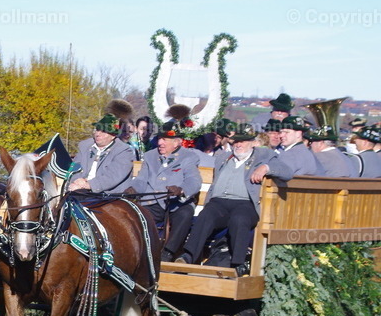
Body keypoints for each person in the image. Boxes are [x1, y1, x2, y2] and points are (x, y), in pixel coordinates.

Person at [177, 124, 280, 275]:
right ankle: (188, 256)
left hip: (245, 203)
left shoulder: (262, 156)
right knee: (206, 215)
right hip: (219, 203)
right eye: (236, 141)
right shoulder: (223, 157)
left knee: (240, 219)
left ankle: (238, 263)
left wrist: (265, 168)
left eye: (243, 141)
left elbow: (286, 170)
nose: (238, 144)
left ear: (252, 142)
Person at [125, 120, 202, 262]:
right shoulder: (150, 156)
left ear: (177, 142)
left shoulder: (189, 157)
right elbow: (142, 180)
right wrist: (133, 189)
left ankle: (168, 253)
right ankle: (137, 252)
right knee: (135, 214)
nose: (160, 142)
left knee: (185, 214)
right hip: (151, 200)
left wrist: (181, 190)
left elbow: (194, 180)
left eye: (165, 139)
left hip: (175, 202)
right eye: (160, 138)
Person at [67, 113, 134, 194]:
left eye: (103, 132)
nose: (98, 134)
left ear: (113, 135)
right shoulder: (85, 146)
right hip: (78, 189)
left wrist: (89, 185)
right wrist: (76, 181)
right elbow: (74, 168)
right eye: (97, 129)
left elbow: (113, 176)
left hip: (109, 196)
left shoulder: (124, 151)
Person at [251, 115, 319, 181]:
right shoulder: (306, 152)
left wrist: (266, 167)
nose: (281, 135)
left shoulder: (292, 154)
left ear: (298, 134)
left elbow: (281, 170)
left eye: (286, 132)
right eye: (281, 132)